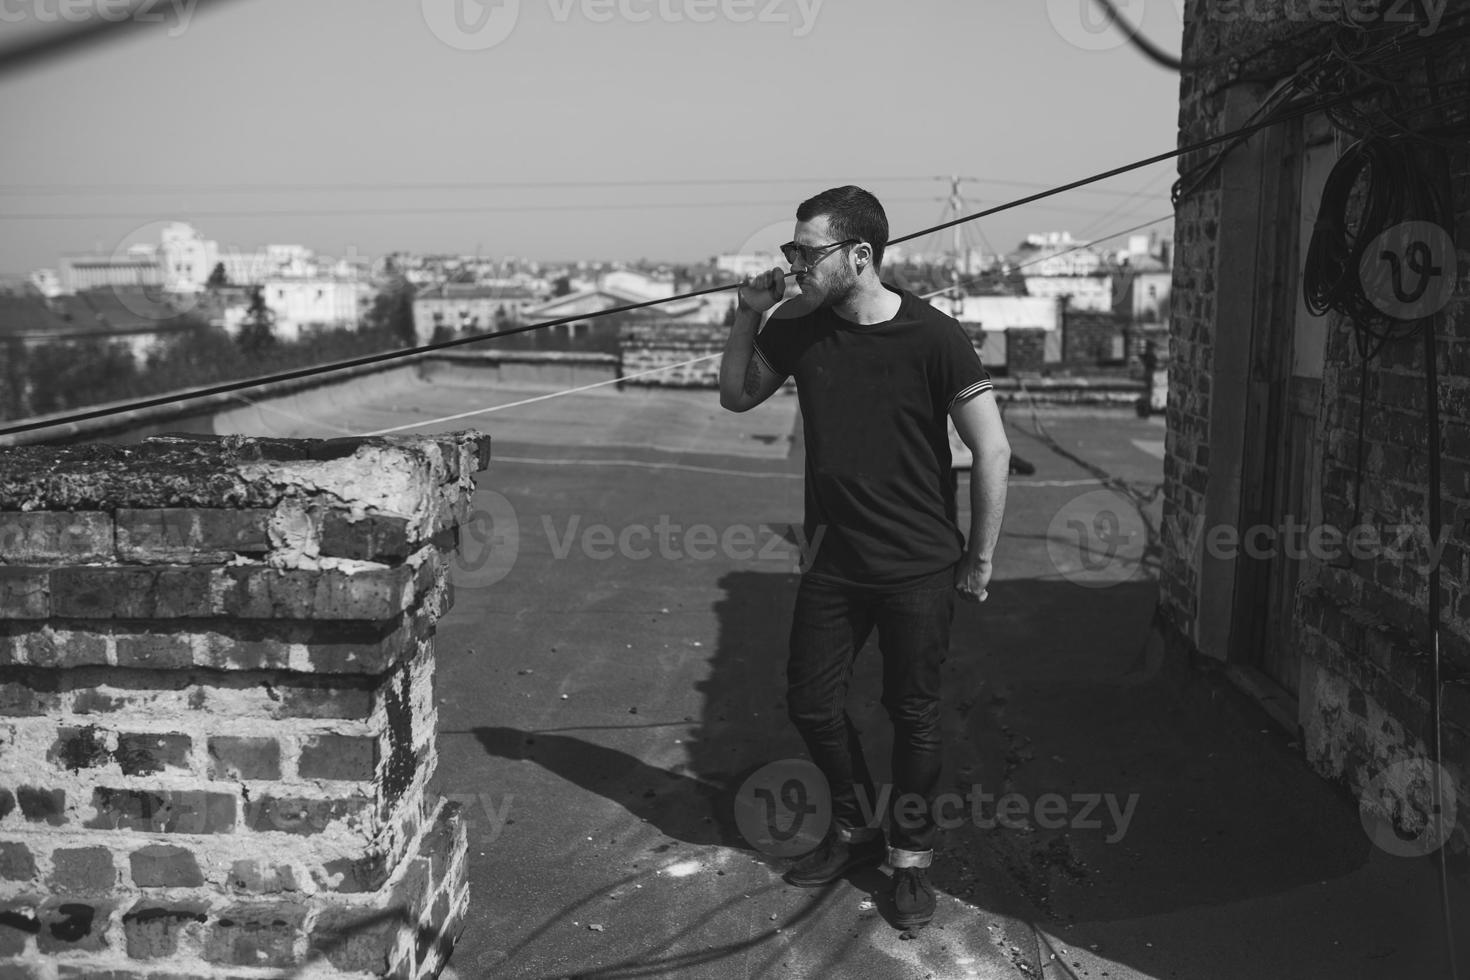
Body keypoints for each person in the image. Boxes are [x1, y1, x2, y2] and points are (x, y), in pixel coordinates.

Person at [718, 186, 1010, 930]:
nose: (795, 265)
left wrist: (979, 558)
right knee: (811, 703)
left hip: (918, 565)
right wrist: (748, 314)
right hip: (834, 562)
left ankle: (910, 861)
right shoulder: (796, 324)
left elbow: (992, 447)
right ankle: (856, 832)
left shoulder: (934, 337)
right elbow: (736, 397)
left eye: (806, 253)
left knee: (912, 715)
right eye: (792, 251)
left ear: (859, 255)